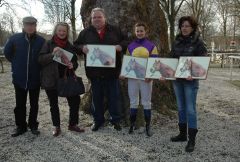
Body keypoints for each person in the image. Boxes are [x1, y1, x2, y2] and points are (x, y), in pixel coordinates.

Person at [74, 7, 128, 131]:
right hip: (94, 73)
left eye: (99, 17)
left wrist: (121, 46)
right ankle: (98, 121)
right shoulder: (86, 32)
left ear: (105, 18)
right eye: (94, 17)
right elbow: (76, 45)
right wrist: (82, 48)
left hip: (112, 72)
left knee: (114, 98)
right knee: (96, 99)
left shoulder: (115, 30)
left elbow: (127, 41)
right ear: (91, 19)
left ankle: (115, 120)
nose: (97, 19)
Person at [38, 22, 85, 137]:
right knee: (53, 104)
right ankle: (56, 126)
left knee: (75, 101)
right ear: (56, 31)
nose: (62, 33)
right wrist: (52, 55)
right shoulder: (48, 44)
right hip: (52, 78)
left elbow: (74, 62)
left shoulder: (70, 46)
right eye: (60, 30)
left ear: (67, 32)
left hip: (67, 78)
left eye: (64, 31)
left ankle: (72, 124)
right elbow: (40, 59)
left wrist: (72, 65)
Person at [169, 16, 207, 152]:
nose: (184, 28)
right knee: (180, 108)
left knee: (190, 110)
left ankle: (192, 140)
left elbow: (203, 62)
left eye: (187, 26)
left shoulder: (198, 42)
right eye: (182, 26)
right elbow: (171, 59)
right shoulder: (176, 41)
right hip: (177, 81)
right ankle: (182, 135)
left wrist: (195, 74)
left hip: (190, 81)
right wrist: (164, 73)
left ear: (192, 28)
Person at [4, 16, 45, 137]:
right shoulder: (14, 38)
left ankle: (33, 125)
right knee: (20, 104)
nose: (30, 27)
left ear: (35, 26)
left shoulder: (41, 41)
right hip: (19, 78)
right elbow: (7, 53)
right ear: (23, 25)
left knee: (34, 104)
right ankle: (20, 126)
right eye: (27, 24)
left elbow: (43, 57)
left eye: (32, 25)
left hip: (35, 78)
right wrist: (17, 65)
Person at [123, 22, 159, 137]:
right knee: (133, 101)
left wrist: (151, 75)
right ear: (135, 32)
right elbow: (128, 62)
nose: (139, 33)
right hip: (133, 78)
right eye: (137, 31)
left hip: (146, 78)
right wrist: (124, 73)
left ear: (145, 32)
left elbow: (154, 63)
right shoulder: (130, 46)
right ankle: (132, 125)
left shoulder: (151, 46)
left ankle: (148, 126)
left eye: (141, 31)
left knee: (146, 102)